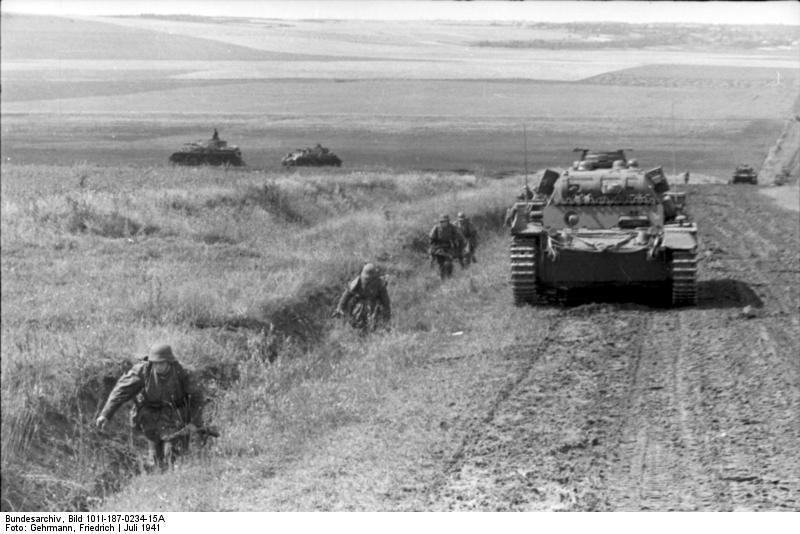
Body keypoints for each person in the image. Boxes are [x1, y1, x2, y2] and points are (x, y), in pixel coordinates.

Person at [96, 343, 205, 471]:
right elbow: (121, 391)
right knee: (155, 460)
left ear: (169, 361)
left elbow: (197, 398)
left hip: (176, 418)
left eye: (161, 363)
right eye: (155, 363)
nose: (158, 366)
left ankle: (173, 475)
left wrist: (194, 422)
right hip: (151, 419)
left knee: (172, 455)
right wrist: (106, 414)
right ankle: (158, 475)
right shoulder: (143, 370)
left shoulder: (183, 372)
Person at [335, 263, 391, 332]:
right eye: (366, 278)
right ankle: (357, 331)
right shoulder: (358, 281)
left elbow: (385, 301)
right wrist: (340, 308)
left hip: (374, 308)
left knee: (373, 324)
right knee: (357, 323)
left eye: (370, 278)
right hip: (359, 308)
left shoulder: (379, 283)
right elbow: (347, 294)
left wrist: (387, 315)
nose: (367, 279)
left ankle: (370, 332)